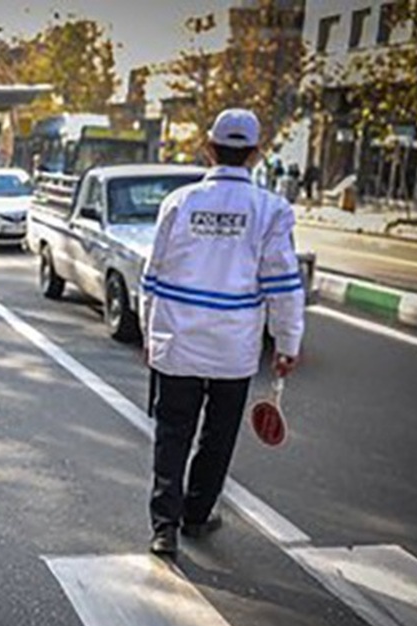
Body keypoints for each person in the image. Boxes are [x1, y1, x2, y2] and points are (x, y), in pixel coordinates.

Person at [140, 109, 305, 557]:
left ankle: (164, 528)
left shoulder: (178, 202)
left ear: (208, 148)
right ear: (255, 153)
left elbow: (151, 277)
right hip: (233, 349)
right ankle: (196, 515)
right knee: (218, 435)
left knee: (172, 433)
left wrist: (147, 333)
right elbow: (284, 286)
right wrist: (287, 344)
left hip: (177, 343)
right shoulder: (272, 210)